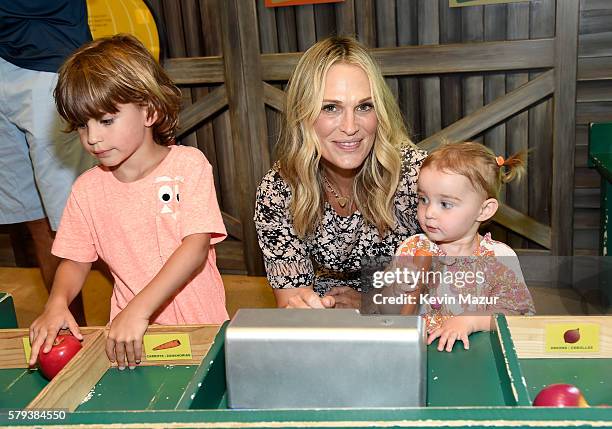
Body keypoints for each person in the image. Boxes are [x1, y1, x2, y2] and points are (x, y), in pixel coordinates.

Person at [28, 34, 229, 370]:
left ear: (149, 111)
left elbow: (195, 248)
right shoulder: (87, 190)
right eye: (82, 125)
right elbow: (75, 261)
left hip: (201, 331)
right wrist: (57, 302)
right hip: (129, 342)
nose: (92, 138)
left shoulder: (188, 166)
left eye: (106, 120)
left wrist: (138, 308)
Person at [254, 36, 427, 309]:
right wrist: (306, 310)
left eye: (363, 106)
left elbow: (460, 281)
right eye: (330, 107)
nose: (350, 127)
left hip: (410, 313)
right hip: (329, 308)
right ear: (303, 115)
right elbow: (293, 298)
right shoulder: (279, 189)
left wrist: (372, 303)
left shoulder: (415, 176)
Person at [0, 1, 94, 323]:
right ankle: (70, 334)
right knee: (36, 218)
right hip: (3, 60)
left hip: (48, 54)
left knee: (77, 217)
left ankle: (155, 317)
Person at [394, 142, 535, 352]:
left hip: (477, 355)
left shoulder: (498, 258)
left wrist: (471, 321)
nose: (429, 212)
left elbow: (518, 316)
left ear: (484, 210)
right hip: (422, 354)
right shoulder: (411, 249)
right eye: (423, 199)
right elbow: (391, 307)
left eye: (445, 204)